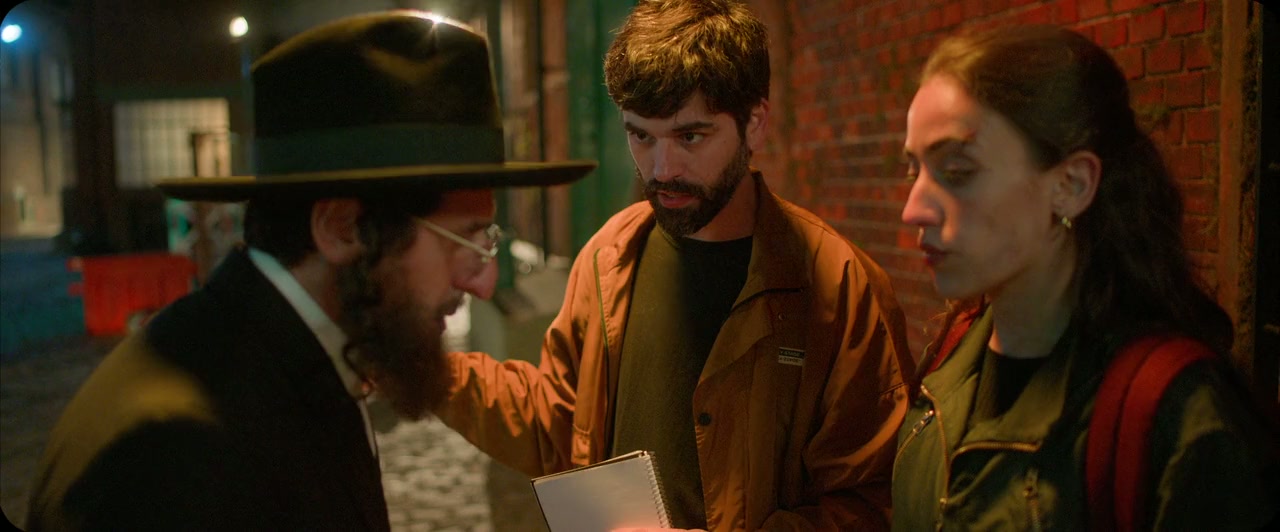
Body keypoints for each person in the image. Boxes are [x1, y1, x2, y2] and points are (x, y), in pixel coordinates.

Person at [23, 12, 594, 531]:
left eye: (488, 243)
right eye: (465, 242)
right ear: (342, 228)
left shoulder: (307, 359)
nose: (483, 283)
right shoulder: (174, 460)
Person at [435, 1, 915, 530]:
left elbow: (872, 502)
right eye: (641, 135)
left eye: (690, 136)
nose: (662, 169)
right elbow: (560, 424)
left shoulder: (840, 286)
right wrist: (423, 367)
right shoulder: (609, 258)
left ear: (755, 124)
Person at [894, 24, 1279, 530]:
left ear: (1071, 186)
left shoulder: (1177, 420)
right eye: (913, 170)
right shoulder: (948, 362)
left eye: (957, 172)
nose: (913, 209)